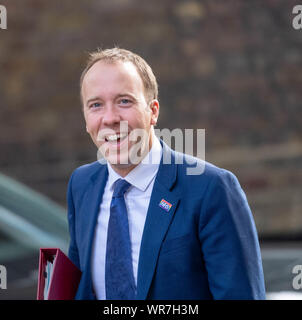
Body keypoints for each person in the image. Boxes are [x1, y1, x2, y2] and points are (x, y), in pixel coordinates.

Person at [67, 47, 266, 300]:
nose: (110, 118)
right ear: (85, 119)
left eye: (124, 101)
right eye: (96, 105)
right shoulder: (82, 185)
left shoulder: (211, 189)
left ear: (153, 111)